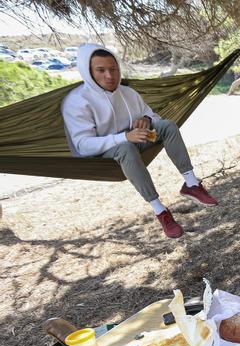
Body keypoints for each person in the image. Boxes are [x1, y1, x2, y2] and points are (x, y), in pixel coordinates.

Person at [61, 44, 218, 239]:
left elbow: (156, 118)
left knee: (167, 126)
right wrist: (124, 137)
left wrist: (148, 120)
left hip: (137, 138)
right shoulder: (76, 101)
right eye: (100, 70)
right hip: (105, 151)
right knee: (126, 147)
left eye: (113, 69)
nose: (109, 76)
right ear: (88, 71)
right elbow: (83, 145)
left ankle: (191, 183)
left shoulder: (128, 93)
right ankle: (160, 211)